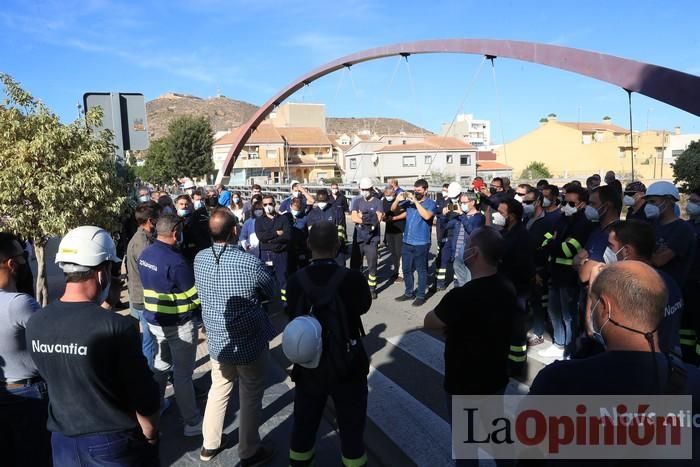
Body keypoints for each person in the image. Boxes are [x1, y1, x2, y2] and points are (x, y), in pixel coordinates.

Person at [27, 226, 160, 465]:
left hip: (63, 442)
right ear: (101, 273)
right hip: (111, 441)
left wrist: (107, 304)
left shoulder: (36, 322)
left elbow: (76, 342)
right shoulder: (118, 327)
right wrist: (149, 433)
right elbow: (143, 395)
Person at [424, 227, 518, 467]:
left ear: (474, 253)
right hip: (496, 378)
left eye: (466, 247)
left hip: (464, 383)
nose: (463, 251)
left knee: (466, 449)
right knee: (498, 436)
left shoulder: (462, 296)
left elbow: (430, 321)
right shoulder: (507, 285)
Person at [286, 221, 372, 467]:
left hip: (309, 363)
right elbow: (363, 307)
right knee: (352, 428)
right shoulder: (352, 278)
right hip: (347, 362)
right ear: (337, 246)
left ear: (308, 244)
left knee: (304, 424)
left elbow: (291, 313)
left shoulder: (296, 280)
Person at [194, 209, 276, 464]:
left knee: (219, 388)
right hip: (249, 341)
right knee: (250, 394)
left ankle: (210, 444)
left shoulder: (199, 259)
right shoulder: (248, 262)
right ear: (234, 231)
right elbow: (270, 290)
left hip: (218, 340)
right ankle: (249, 450)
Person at [138, 214, 203, 436]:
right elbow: (194, 296)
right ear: (175, 233)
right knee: (183, 376)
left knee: (160, 368)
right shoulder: (176, 261)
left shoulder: (145, 254)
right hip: (179, 325)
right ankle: (192, 423)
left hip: (155, 323)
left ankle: (154, 410)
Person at [578, 220, 684, 355]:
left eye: (611, 246)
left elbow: (593, 331)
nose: (607, 250)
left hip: (635, 367)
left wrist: (594, 285)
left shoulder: (623, 289)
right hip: (666, 362)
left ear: (626, 250)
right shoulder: (669, 281)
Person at [0, 233, 51, 466]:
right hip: (27, 394)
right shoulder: (19, 303)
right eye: (23, 257)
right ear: (12, 263)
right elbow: (53, 338)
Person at [540, 185, 594, 359]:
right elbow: (546, 240)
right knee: (554, 311)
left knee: (568, 315)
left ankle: (570, 350)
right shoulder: (562, 218)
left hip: (569, 277)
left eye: (571, 203)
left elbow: (568, 249)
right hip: (554, 273)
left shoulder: (583, 223)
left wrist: (553, 245)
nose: (566, 206)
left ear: (582, 204)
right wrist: (553, 244)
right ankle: (558, 343)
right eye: (564, 201)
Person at [497, 198, 535, 370]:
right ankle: (507, 359)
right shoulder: (507, 232)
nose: (499, 215)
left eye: (502, 213)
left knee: (517, 329)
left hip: (517, 289)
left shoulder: (522, 235)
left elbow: (523, 265)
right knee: (507, 327)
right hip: (506, 287)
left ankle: (517, 365)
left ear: (511, 216)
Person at [391, 179, 437, 307]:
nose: (416, 193)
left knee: (421, 270)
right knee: (406, 269)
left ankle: (421, 295)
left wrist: (416, 202)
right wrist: (397, 199)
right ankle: (408, 292)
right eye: (415, 190)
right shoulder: (409, 203)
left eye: (419, 191)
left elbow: (427, 216)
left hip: (421, 242)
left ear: (425, 190)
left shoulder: (430, 203)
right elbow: (393, 209)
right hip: (407, 241)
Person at [126, 202, 159, 367]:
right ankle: (151, 378)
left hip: (139, 297)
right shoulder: (142, 243)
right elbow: (150, 271)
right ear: (151, 221)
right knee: (150, 342)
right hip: (144, 299)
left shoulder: (142, 238)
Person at [646, 181, 696, 289]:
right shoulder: (653, 225)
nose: (648, 206)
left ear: (667, 201)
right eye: (648, 202)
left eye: (652, 201)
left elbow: (659, 260)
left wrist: (638, 252)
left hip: (672, 290)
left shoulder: (682, 229)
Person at [523, 189, 555, 346]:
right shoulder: (527, 219)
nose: (525, 205)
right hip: (526, 266)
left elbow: (545, 247)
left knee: (538, 302)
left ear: (538, 202)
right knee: (528, 300)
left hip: (539, 268)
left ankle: (539, 332)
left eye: (528, 202)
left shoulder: (547, 222)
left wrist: (538, 270)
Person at [351, 178, 384, 299]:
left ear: (371, 189)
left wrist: (363, 217)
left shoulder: (377, 202)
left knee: (372, 265)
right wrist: (369, 218)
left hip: (372, 239)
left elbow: (378, 219)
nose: (364, 192)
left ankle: (372, 289)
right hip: (359, 238)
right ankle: (356, 286)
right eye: (362, 189)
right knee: (355, 264)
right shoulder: (357, 201)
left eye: (366, 190)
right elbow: (354, 218)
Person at [256, 195, 292, 304]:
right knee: (265, 280)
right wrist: (276, 233)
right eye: (265, 204)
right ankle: (266, 304)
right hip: (266, 254)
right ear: (262, 206)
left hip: (281, 254)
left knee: (283, 280)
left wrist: (270, 240)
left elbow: (287, 236)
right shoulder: (259, 221)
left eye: (270, 204)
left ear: (274, 204)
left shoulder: (283, 219)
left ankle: (285, 303)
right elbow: (261, 237)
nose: (268, 206)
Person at [447, 192, 485, 287]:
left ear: (472, 202)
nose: (462, 205)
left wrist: (462, 215)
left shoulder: (479, 217)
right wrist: (445, 214)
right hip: (457, 253)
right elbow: (447, 226)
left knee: (469, 282)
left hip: (469, 255)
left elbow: (471, 230)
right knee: (459, 282)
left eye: (464, 202)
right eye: (461, 203)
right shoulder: (459, 217)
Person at [577, 184, 622, 263]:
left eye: (593, 204)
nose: (588, 207)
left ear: (607, 206)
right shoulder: (597, 230)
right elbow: (579, 260)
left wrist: (584, 263)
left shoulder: (618, 234)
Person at [306, 189, 347, 266]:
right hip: (319, 252)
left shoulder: (337, 211)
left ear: (328, 200)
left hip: (336, 250)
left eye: (323, 201)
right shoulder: (312, 214)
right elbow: (311, 233)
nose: (321, 203)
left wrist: (336, 247)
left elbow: (341, 230)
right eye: (319, 201)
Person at [683, 188, 700, 364]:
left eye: (696, 201)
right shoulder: (687, 226)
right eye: (691, 200)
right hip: (687, 284)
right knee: (686, 327)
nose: (691, 204)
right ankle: (688, 358)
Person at [436, 182, 462, 290]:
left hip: (459, 235)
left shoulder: (465, 202)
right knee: (443, 258)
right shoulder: (445, 203)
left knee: (458, 259)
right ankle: (440, 282)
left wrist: (460, 212)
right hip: (447, 235)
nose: (453, 199)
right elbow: (440, 220)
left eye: (455, 197)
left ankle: (457, 282)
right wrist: (443, 215)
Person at [176, 194, 212, 265]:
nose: (184, 206)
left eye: (186, 204)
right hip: (178, 254)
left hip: (193, 254)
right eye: (181, 204)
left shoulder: (196, 219)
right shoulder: (172, 220)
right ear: (176, 205)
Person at [382, 185, 406, 282]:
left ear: (394, 193)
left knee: (399, 252)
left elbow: (406, 213)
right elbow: (383, 213)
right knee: (393, 253)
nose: (389, 196)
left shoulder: (400, 200)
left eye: (390, 194)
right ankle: (396, 272)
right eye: (387, 194)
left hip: (400, 229)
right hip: (389, 230)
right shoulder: (383, 201)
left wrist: (395, 218)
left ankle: (401, 273)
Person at [287, 197, 310, 275]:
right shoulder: (285, 217)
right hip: (289, 248)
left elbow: (307, 233)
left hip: (301, 248)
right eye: (294, 209)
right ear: (290, 206)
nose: (295, 212)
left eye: (297, 210)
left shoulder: (304, 218)